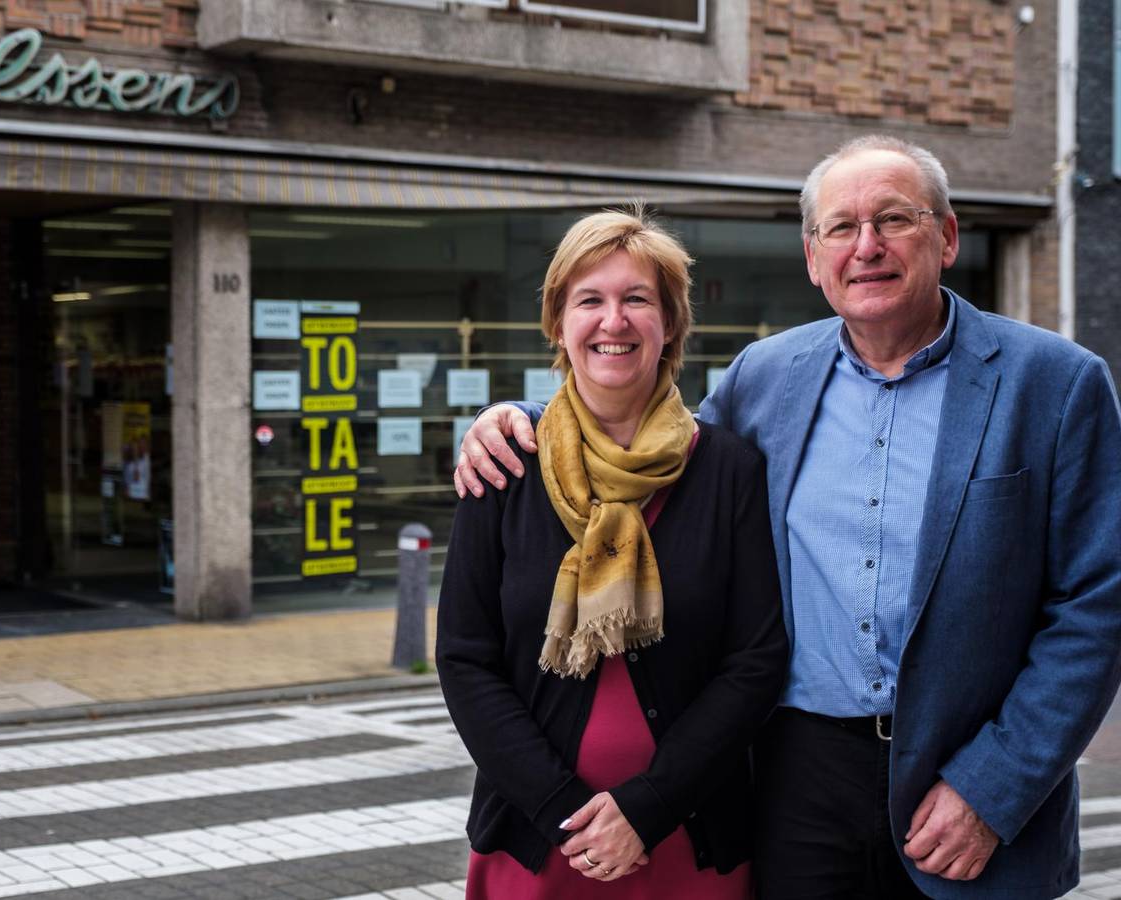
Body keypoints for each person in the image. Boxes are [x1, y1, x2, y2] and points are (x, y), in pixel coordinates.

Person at [452, 135, 1121, 899]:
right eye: (840, 227)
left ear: (947, 236)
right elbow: (645, 444)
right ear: (813, 256)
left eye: (893, 220)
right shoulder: (765, 378)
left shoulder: (1058, 384)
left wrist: (995, 786)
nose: (865, 247)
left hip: (966, 782)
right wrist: (520, 420)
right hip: (796, 781)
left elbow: (1096, 608)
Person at [436, 208, 787, 898]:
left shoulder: (729, 472)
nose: (613, 321)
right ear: (559, 324)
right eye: (589, 300)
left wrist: (647, 807)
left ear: (671, 322)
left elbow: (756, 661)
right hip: (539, 842)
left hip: (689, 835)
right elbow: (464, 658)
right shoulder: (506, 462)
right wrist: (563, 810)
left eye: (637, 299)